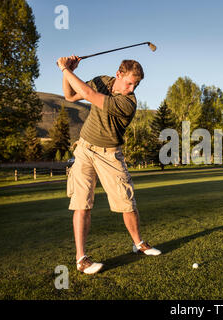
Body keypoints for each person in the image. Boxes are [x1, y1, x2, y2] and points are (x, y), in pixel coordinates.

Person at [56, 55, 161, 275]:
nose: (132, 88)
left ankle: (138, 243)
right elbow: (70, 95)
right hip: (84, 149)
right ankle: (81, 259)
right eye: (129, 82)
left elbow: (88, 94)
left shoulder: (128, 103)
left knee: (126, 202)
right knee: (81, 202)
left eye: (136, 84)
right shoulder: (102, 81)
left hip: (110, 154)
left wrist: (66, 69)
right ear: (118, 75)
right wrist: (66, 72)